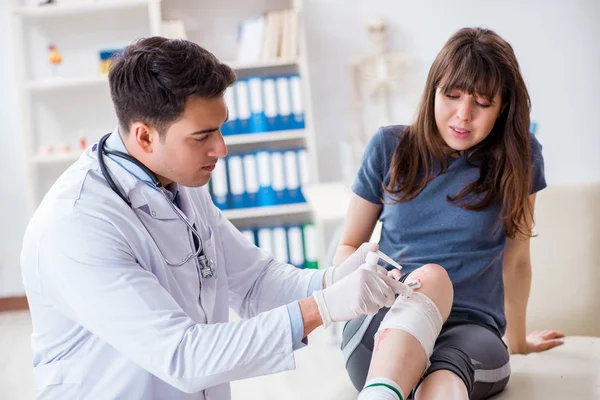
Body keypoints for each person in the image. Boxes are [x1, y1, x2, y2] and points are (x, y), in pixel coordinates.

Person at [19, 37, 402, 400]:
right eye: (202, 136)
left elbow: (255, 282)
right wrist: (324, 306)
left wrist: (335, 279)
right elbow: (183, 355)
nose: (221, 148)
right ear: (145, 137)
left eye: (221, 128)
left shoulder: (177, 183)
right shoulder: (77, 225)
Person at [335, 27, 565, 400]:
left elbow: (517, 260)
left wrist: (519, 340)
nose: (463, 116)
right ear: (432, 92)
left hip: (470, 332)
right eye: (451, 96)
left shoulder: (520, 159)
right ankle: (383, 388)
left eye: (482, 103)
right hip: (386, 320)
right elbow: (348, 246)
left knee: (447, 377)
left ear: (503, 108)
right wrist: (370, 286)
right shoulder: (389, 147)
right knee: (428, 282)